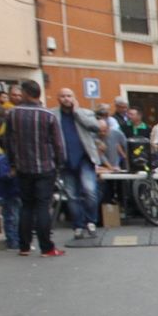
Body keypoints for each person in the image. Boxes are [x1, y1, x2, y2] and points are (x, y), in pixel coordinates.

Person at [0, 80, 65, 256]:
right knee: (43, 206)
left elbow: (7, 141)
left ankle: (24, 246)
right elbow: (58, 144)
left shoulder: (13, 114)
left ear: (26, 93)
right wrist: (59, 164)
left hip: (22, 167)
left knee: (26, 206)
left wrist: (12, 163)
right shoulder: (48, 115)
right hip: (44, 167)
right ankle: (46, 247)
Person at [54, 87, 102, 238]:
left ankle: (91, 221)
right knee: (72, 195)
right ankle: (78, 225)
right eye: (63, 96)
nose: (66, 99)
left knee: (90, 191)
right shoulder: (53, 115)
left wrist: (77, 112)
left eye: (69, 96)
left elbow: (95, 127)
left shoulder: (85, 113)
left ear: (74, 98)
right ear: (58, 99)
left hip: (84, 159)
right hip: (65, 160)